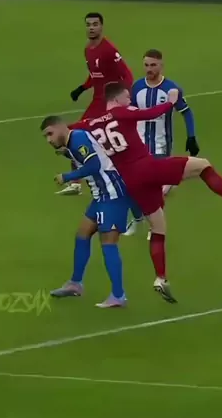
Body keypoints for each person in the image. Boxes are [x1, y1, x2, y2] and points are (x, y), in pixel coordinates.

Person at [78, 82, 222, 303]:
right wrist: (171, 101)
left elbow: (70, 130)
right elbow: (151, 113)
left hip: (131, 181)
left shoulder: (91, 124)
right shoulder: (121, 113)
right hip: (147, 168)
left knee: (158, 227)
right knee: (202, 165)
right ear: (115, 99)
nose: (129, 100)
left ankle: (161, 278)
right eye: (126, 97)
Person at [41, 116, 130, 308]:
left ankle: (119, 295)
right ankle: (75, 284)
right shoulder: (73, 142)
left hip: (112, 194)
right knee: (82, 235)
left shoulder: (78, 138)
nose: (48, 140)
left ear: (61, 127)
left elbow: (94, 165)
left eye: (50, 134)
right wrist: (67, 154)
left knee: (108, 243)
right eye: (46, 137)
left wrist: (67, 177)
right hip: (100, 196)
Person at [125, 48, 199, 236]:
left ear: (161, 65)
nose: (149, 69)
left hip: (161, 145)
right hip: (138, 146)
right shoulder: (137, 87)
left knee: (154, 191)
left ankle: (155, 227)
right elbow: (130, 114)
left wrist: (191, 136)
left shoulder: (171, 89)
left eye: (153, 65)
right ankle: (137, 219)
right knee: (131, 186)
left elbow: (186, 112)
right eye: (146, 65)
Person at [61, 12, 133, 196]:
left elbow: (127, 75)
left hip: (108, 102)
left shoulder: (109, 50)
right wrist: (82, 88)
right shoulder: (88, 49)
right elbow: (95, 75)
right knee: (79, 135)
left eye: (95, 24)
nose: (91, 28)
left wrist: (123, 98)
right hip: (97, 100)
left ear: (101, 26)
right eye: (88, 24)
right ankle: (78, 182)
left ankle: (81, 181)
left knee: (79, 133)